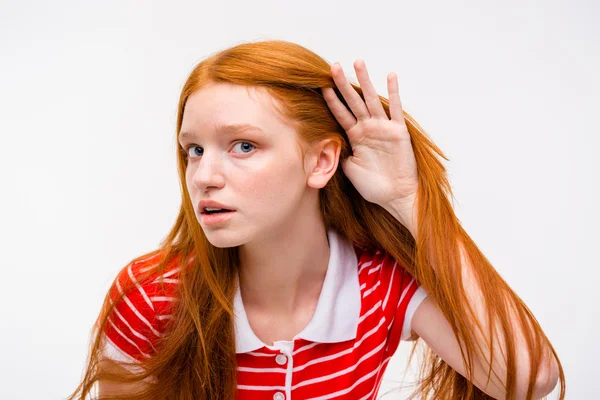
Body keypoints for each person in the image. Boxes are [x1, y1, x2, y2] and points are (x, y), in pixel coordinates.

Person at [68, 40, 565, 400]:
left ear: (321, 161)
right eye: (194, 150)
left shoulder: (380, 286)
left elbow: (528, 381)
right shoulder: (152, 293)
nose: (204, 176)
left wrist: (410, 200)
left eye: (243, 145)